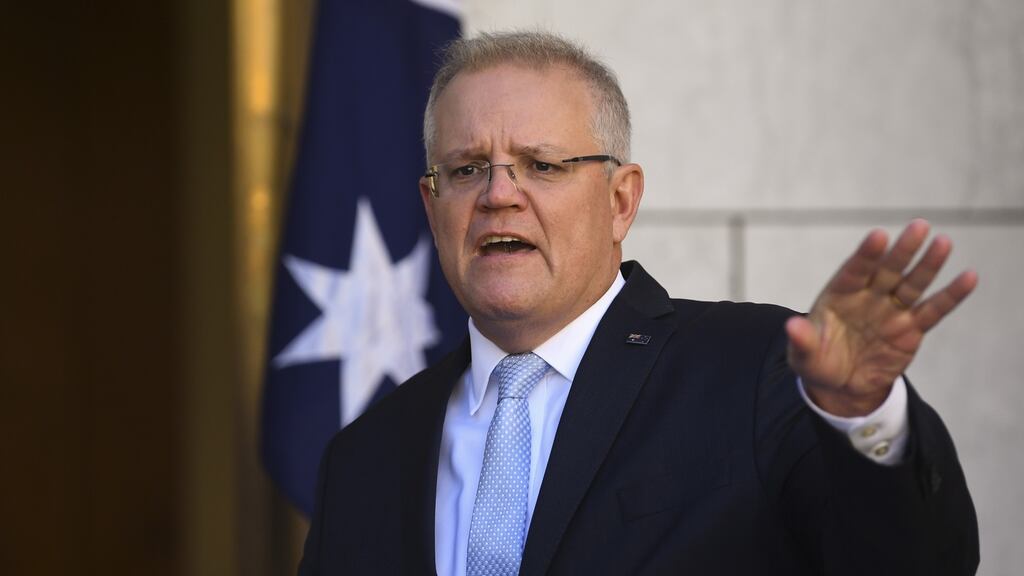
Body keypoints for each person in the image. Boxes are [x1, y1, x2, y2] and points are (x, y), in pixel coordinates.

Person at [298, 31, 979, 575]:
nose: (498, 194)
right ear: (432, 202)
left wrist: (863, 421)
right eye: (467, 168)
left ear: (621, 201)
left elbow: (922, 563)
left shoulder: (761, 374)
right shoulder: (364, 456)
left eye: (542, 164)